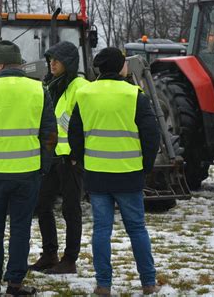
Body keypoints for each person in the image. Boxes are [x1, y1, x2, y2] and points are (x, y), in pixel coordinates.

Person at [0, 40, 57, 295]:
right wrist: (43, 167)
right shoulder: (39, 89)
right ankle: (15, 283)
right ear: (19, 63)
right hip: (28, 173)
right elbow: (49, 134)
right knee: (20, 229)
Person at [68, 47, 161, 295]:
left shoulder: (85, 93)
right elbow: (151, 135)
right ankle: (149, 282)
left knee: (101, 230)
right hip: (129, 174)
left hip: (97, 174)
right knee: (137, 229)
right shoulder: (134, 94)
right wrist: (146, 166)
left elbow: (74, 132)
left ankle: (103, 284)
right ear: (121, 67)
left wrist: (80, 159)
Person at [30, 41, 89, 274]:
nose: (52, 64)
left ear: (69, 63)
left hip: (70, 160)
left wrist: (77, 154)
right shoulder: (50, 85)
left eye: (56, 60)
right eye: (50, 60)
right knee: (42, 204)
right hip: (52, 157)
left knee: (71, 209)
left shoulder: (80, 86)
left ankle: (70, 259)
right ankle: (49, 254)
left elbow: (85, 122)